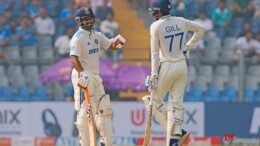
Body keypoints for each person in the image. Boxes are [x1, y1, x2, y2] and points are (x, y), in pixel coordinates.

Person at [142, 0, 205, 146]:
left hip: (167, 66)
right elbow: (201, 29)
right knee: (176, 105)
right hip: (182, 66)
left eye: (155, 11)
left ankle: (177, 133)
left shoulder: (156, 26)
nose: (153, 14)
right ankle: (175, 139)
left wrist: (154, 75)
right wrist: (187, 47)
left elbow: (154, 54)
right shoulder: (181, 21)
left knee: (154, 102)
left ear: (161, 11)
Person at [70, 7, 126, 146]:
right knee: (85, 110)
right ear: (79, 21)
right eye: (85, 19)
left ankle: (106, 142)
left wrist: (117, 43)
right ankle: (86, 143)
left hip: (95, 76)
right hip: (82, 75)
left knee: (104, 108)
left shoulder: (97, 35)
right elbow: (73, 58)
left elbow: (110, 45)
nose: (89, 22)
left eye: (90, 19)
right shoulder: (77, 38)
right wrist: (82, 73)